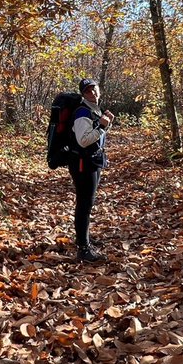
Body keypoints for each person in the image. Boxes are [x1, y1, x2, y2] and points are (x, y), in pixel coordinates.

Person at [69, 78, 114, 262]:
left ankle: (83, 237)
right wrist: (102, 125)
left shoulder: (94, 109)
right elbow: (84, 140)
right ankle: (83, 249)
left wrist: (106, 124)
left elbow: (97, 135)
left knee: (87, 202)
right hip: (82, 163)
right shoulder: (82, 112)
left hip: (91, 161)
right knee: (84, 204)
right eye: (88, 91)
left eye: (94, 89)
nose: (92, 93)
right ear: (83, 94)